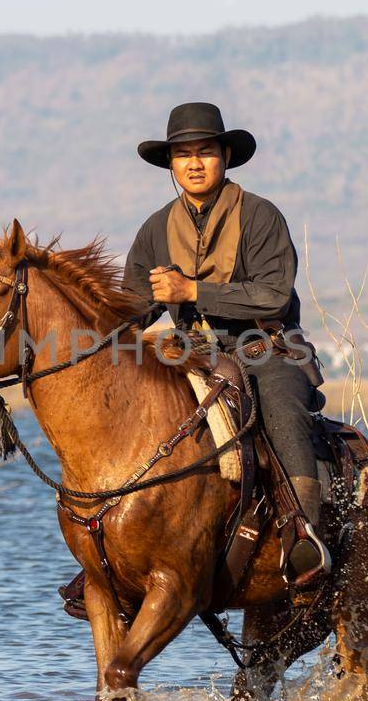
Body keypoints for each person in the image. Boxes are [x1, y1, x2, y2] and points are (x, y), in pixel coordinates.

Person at [122, 101, 331, 588]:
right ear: (170, 164)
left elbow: (274, 296)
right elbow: (134, 305)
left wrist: (192, 291)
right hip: (190, 355)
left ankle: (305, 535)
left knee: (281, 409)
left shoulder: (260, 216)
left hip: (266, 350)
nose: (193, 163)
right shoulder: (155, 229)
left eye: (205, 151)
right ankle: (119, 552)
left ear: (226, 156)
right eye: (182, 154)